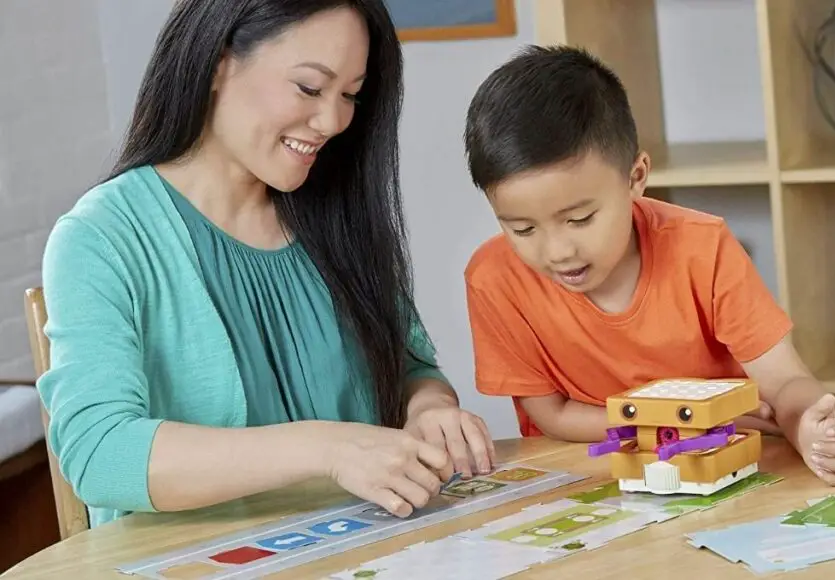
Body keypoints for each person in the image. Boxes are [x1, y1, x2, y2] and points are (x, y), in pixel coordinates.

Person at [37, 0, 495, 528]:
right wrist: (328, 449)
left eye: (350, 95)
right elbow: (100, 453)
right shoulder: (104, 237)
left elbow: (411, 368)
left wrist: (429, 410)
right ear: (218, 64)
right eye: (308, 87)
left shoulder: (335, 216)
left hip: (365, 548)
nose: (333, 120)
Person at [461, 45, 835, 485]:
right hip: (588, 480)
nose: (557, 251)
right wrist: (686, 423)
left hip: (720, 469)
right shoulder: (493, 280)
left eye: (579, 219)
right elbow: (552, 416)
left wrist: (806, 425)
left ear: (636, 177)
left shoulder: (701, 248)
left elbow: (785, 382)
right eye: (522, 229)